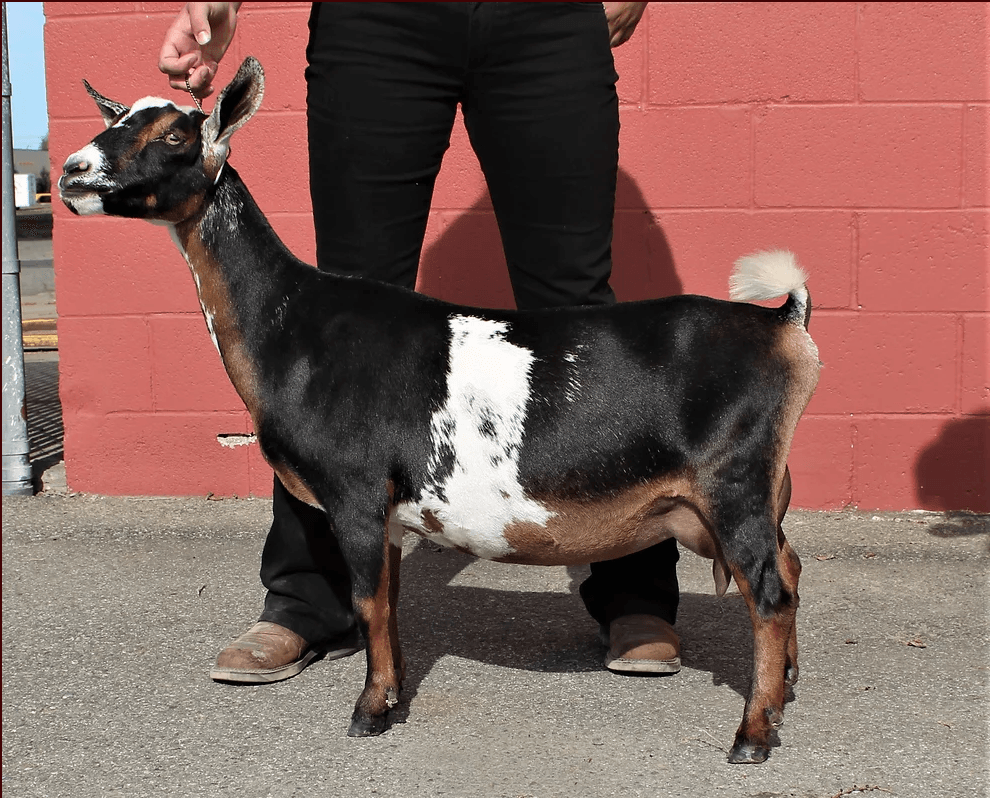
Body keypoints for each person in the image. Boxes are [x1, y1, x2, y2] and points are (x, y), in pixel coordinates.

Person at [159, 1, 682, 686]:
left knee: (575, 309)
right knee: (344, 325)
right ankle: (311, 596)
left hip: (545, 18)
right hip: (376, 20)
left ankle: (632, 586)